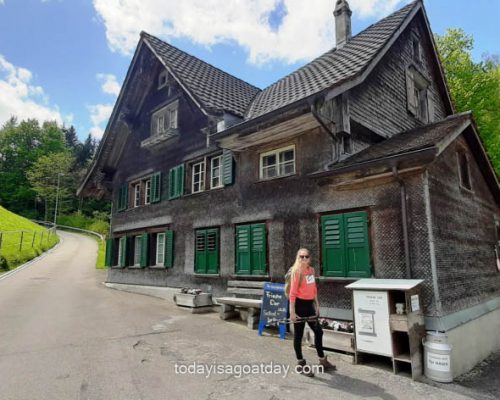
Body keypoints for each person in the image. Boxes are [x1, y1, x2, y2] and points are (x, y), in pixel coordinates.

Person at [289, 248, 336, 376]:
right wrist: (292, 312)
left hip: (309, 306)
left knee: (318, 332)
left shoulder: (311, 270)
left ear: (309, 258)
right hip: (299, 305)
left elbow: (313, 288)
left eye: (306, 256)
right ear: (297, 258)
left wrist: (317, 305)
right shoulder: (296, 272)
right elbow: (292, 294)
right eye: (301, 256)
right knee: (298, 335)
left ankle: (322, 361)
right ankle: (301, 364)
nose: (304, 258)